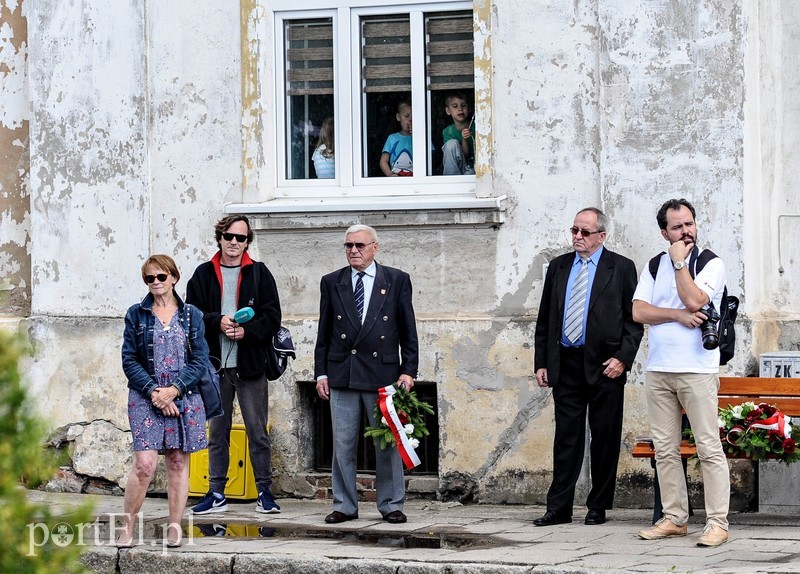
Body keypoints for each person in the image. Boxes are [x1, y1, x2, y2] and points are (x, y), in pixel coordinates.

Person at [533, 208, 643, 527]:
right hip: (566, 363)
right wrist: (542, 361)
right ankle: (559, 507)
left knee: (605, 437)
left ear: (601, 236)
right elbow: (546, 319)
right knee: (567, 437)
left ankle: (598, 505)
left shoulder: (620, 268)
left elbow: (633, 322)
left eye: (585, 232)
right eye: (574, 231)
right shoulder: (559, 267)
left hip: (606, 365)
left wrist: (623, 358)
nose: (577, 237)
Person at [633, 198, 730, 548]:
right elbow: (639, 311)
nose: (685, 231)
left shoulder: (709, 263)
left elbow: (693, 300)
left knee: (708, 447)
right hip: (659, 368)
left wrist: (679, 265)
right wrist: (674, 316)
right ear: (664, 232)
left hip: (697, 370)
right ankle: (675, 518)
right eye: (677, 227)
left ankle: (717, 522)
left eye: (689, 224)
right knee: (665, 449)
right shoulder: (654, 265)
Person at [314, 224, 419, 524]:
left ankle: (391, 503)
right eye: (348, 246)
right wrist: (321, 372)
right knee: (343, 445)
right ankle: (345, 504)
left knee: (386, 443)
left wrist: (408, 371)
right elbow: (325, 331)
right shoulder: (332, 282)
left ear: (375, 247)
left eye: (359, 245)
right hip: (342, 374)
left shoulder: (396, 280)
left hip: (382, 375)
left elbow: (408, 329)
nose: (353, 251)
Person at [186, 214, 283, 515]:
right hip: (215, 367)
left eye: (240, 238)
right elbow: (192, 315)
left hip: (250, 364)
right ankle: (216, 493)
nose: (234, 243)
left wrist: (246, 332)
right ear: (219, 238)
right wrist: (219, 322)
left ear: (247, 242)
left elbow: (272, 317)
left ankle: (264, 493)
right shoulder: (202, 274)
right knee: (218, 431)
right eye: (229, 236)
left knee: (257, 431)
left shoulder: (259, 274)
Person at [118, 254, 210, 548]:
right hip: (147, 395)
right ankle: (127, 526)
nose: (156, 283)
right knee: (144, 464)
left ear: (173, 277)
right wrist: (156, 392)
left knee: (177, 461)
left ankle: (174, 525)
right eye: (150, 278)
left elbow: (200, 360)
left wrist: (174, 390)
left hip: (184, 395)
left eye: (161, 276)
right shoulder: (136, 314)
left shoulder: (191, 315)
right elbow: (129, 360)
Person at [441, 92, 475, 175]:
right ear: (448, 111)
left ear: (469, 108)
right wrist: (464, 139)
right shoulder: (447, 131)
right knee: (451, 144)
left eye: (463, 105)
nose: (460, 109)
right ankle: (450, 181)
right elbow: (464, 154)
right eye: (455, 106)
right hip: (458, 167)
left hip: (475, 168)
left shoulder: (477, 126)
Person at [380, 101, 413, 176]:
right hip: (397, 177)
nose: (410, 120)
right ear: (398, 117)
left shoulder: (422, 138)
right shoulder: (392, 138)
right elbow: (383, 161)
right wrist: (390, 175)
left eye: (414, 116)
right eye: (406, 116)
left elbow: (430, 158)